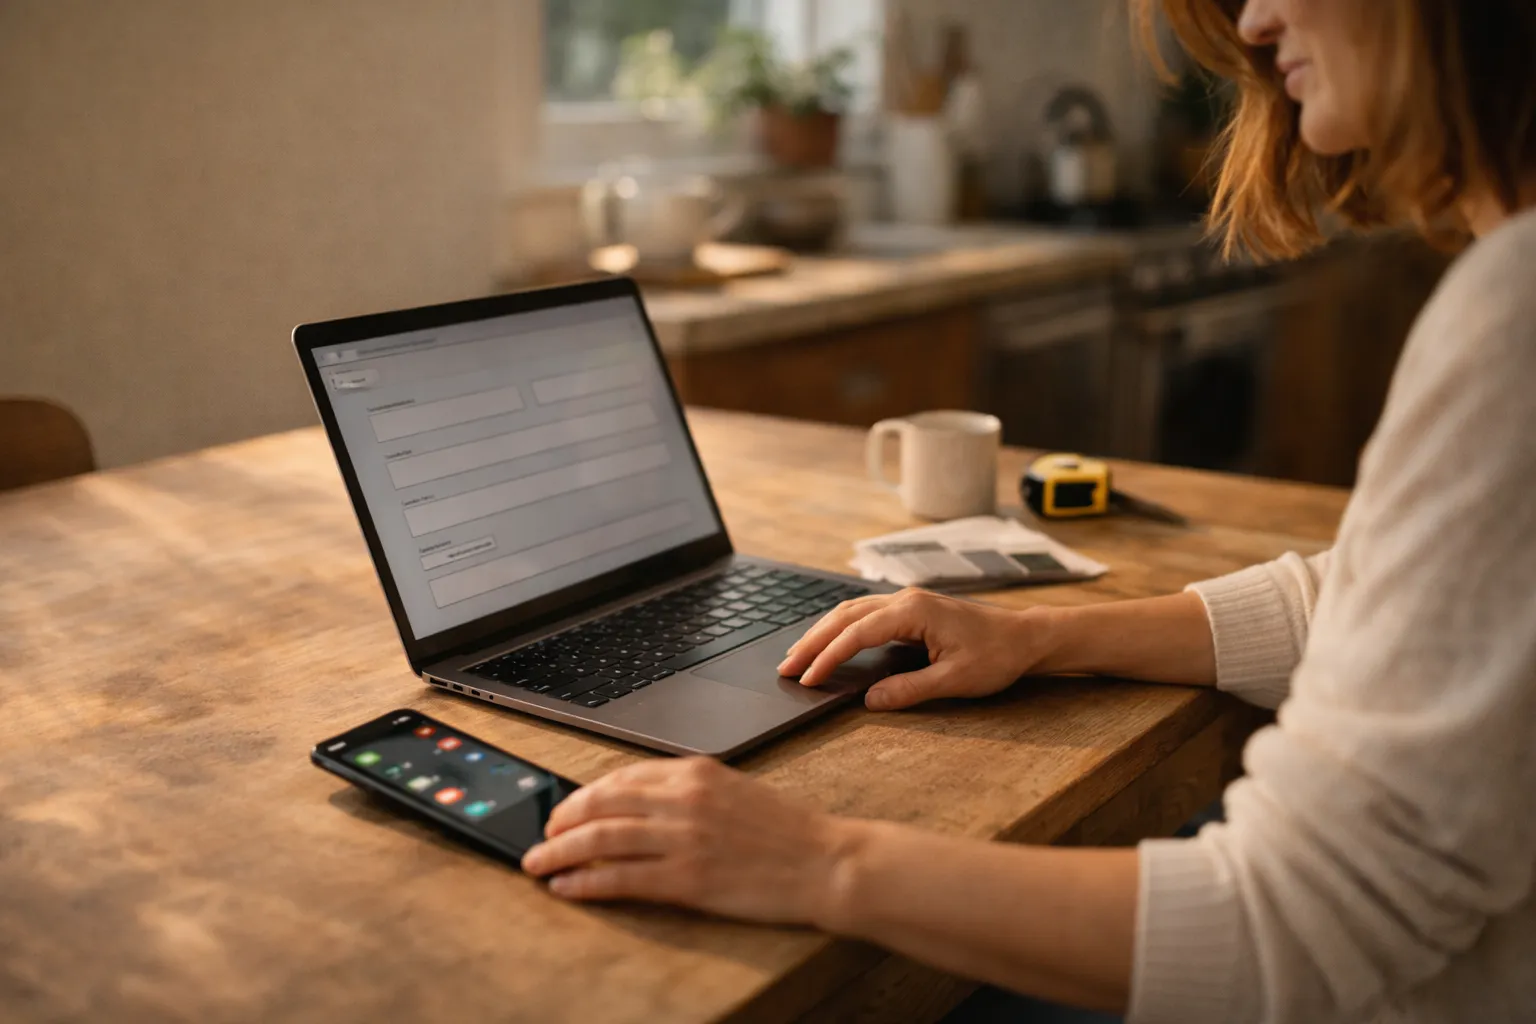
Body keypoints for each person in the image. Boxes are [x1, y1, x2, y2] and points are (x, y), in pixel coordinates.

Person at [521, 1, 1536, 1019]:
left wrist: (813, 856)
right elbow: (1387, 609)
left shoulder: (1515, 317)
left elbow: (1292, 925)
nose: (1258, 17)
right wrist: (1040, 636)